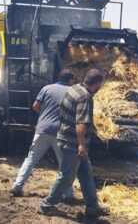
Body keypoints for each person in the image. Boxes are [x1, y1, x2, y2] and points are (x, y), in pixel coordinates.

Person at [39, 68, 109, 218]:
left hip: (67, 137)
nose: (101, 87)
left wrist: (65, 125)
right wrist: (81, 145)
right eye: (101, 84)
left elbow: (61, 108)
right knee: (67, 176)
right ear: (97, 83)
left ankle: (92, 206)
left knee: (86, 172)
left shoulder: (74, 88)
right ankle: (47, 204)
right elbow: (80, 123)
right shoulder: (85, 97)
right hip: (73, 143)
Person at [10, 70, 76, 202]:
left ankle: (17, 186)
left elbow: (35, 106)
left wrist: (45, 114)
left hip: (42, 129)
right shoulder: (72, 92)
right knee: (64, 164)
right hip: (60, 133)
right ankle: (68, 195)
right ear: (70, 80)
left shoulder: (46, 88)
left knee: (31, 159)